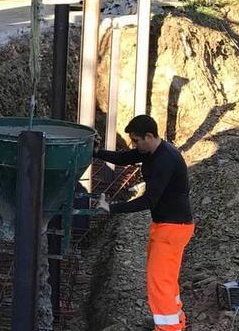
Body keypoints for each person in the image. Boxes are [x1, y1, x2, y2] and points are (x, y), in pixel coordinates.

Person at [94, 115, 194, 331]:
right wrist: (96, 152)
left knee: (159, 285)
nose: (134, 145)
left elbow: (149, 200)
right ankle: (176, 323)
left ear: (149, 136)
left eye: (136, 140)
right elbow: (123, 158)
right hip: (168, 226)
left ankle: (169, 328)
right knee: (166, 280)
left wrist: (112, 208)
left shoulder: (164, 160)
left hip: (172, 229)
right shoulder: (151, 151)